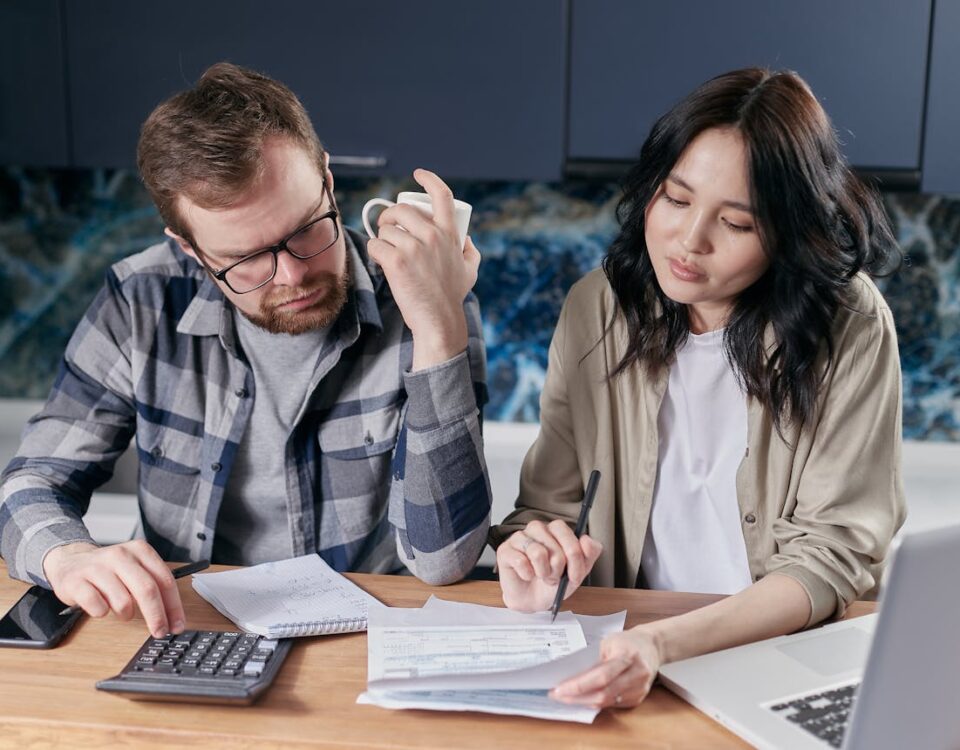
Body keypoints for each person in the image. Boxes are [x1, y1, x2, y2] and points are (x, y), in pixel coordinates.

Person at [0, 63, 491, 638]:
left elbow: (444, 560)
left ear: (327, 182)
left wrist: (437, 330)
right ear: (190, 249)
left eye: (306, 228)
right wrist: (68, 557)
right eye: (247, 259)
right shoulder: (139, 299)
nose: (293, 275)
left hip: (359, 641)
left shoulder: (427, 297)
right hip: (189, 630)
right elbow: (32, 483)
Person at [489, 67, 905, 710]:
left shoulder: (849, 323)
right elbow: (550, 507)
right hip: (627, 656)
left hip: (780, 660)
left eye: (736, 224)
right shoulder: (597, 309)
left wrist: (665, 643)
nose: (689, 241)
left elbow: (831, 557)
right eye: (676, 200)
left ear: (787, 233)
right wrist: (534, 563)